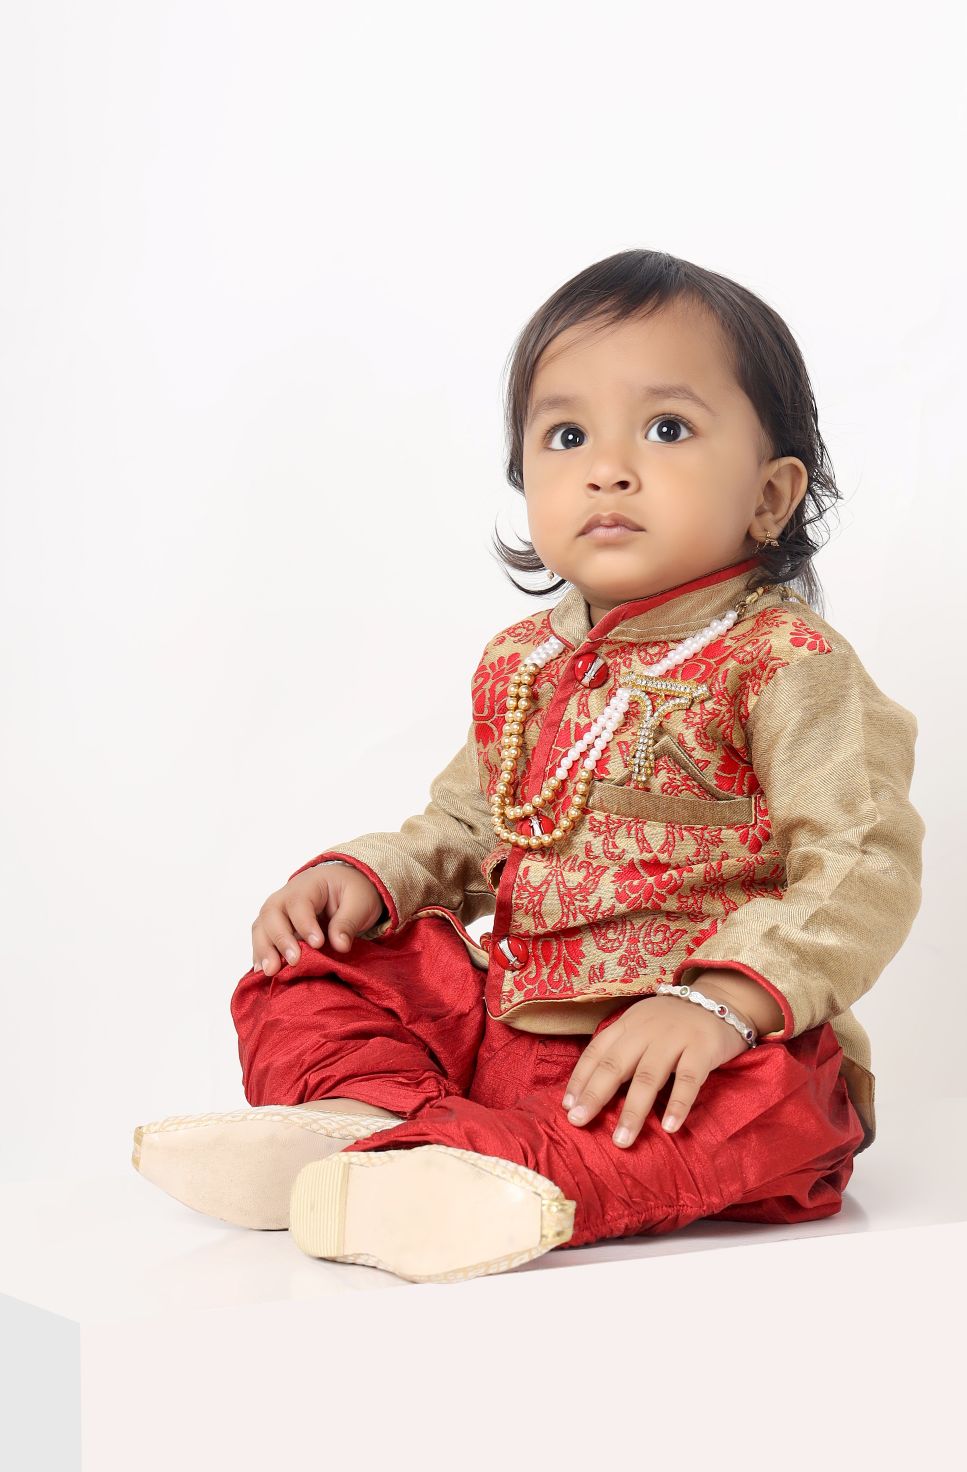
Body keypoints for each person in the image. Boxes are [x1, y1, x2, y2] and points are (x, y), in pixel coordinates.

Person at [132, 248, 925, 1285]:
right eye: (566, 435)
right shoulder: (524, 664)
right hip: (510, 1040)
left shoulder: (785, 663)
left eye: (667, 429)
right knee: (316, 960)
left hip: (682, 1064)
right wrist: (368, 876)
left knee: (773, 1107)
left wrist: (723, 1002)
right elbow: (469, 829)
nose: (608, 468)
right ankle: (360, 1119)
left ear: (769, 497)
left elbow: (861, 860)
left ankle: (491, 1178)